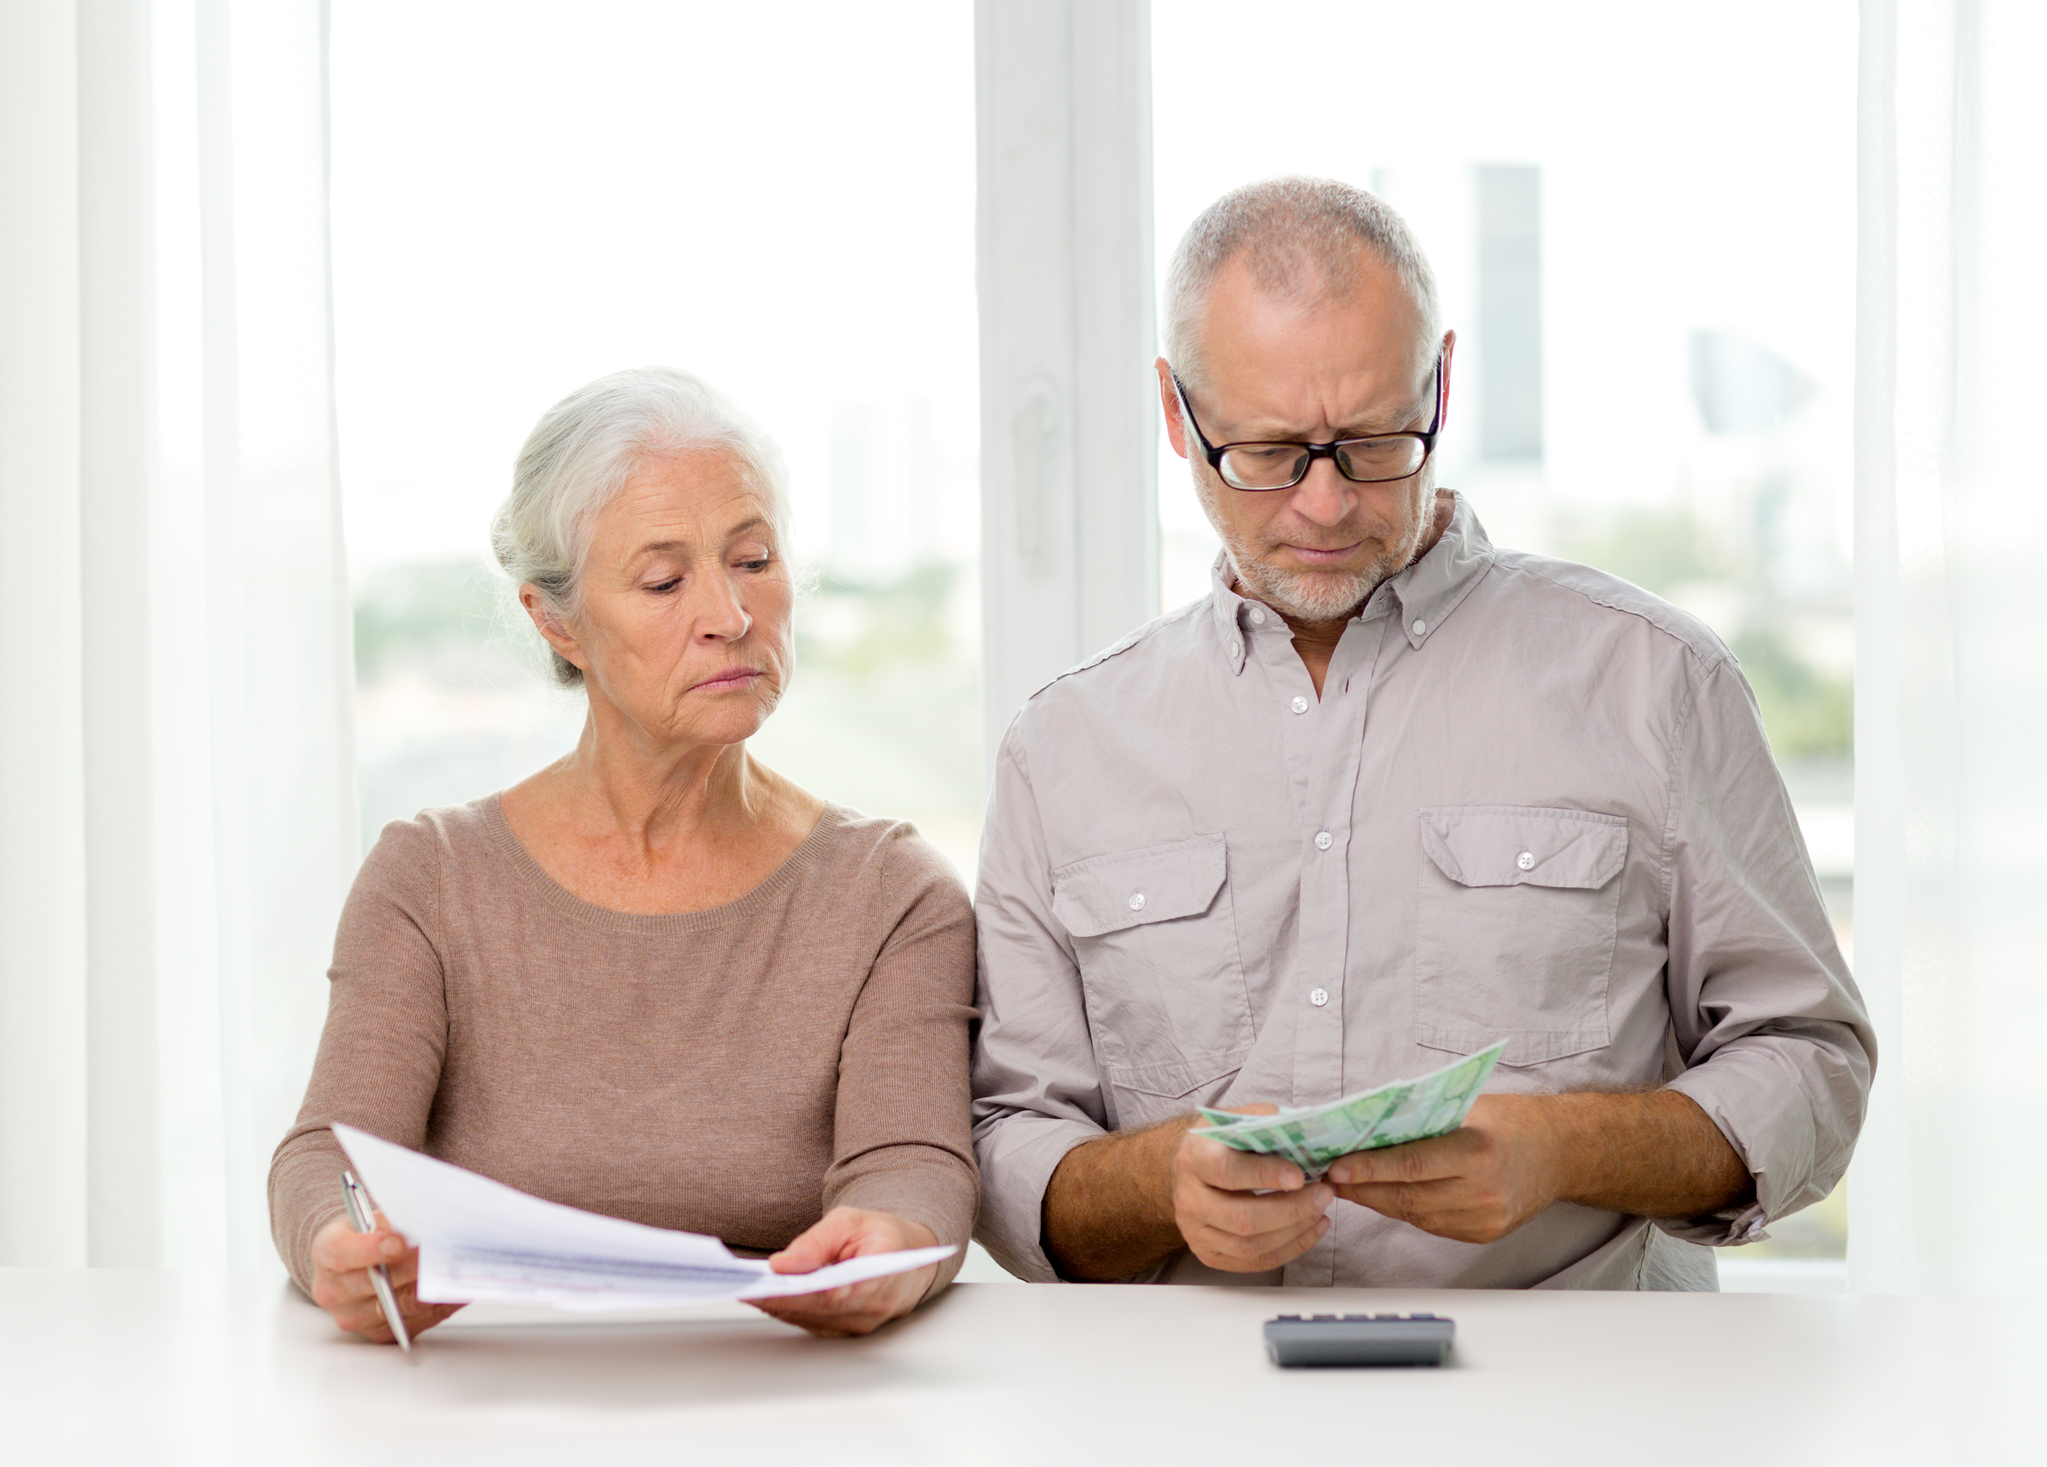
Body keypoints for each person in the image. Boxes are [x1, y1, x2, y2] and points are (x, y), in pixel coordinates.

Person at [971, 177, 1874, 1289]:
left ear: (1440, 384)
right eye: (1264, 453)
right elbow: (1008, 1144)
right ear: (1176, 415)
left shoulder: (1656, 683)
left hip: (1577, 1410)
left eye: (1373, 440)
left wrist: (1567, 1151)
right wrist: (1161, 1186)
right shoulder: (1062, 749)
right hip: (1192, 1419)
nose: (1324, 504)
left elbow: (1812, 1065)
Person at [271, 367, 977, 1339]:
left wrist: (889, 1241)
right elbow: (329, 1156)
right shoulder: (427, 878)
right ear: (555, 622)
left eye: (755, 559)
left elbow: (915, 1164)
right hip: (482, 1400)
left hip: (788, 1398)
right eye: (663, 580)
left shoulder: (892, 892)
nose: (730, 614)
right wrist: (338, 1246)